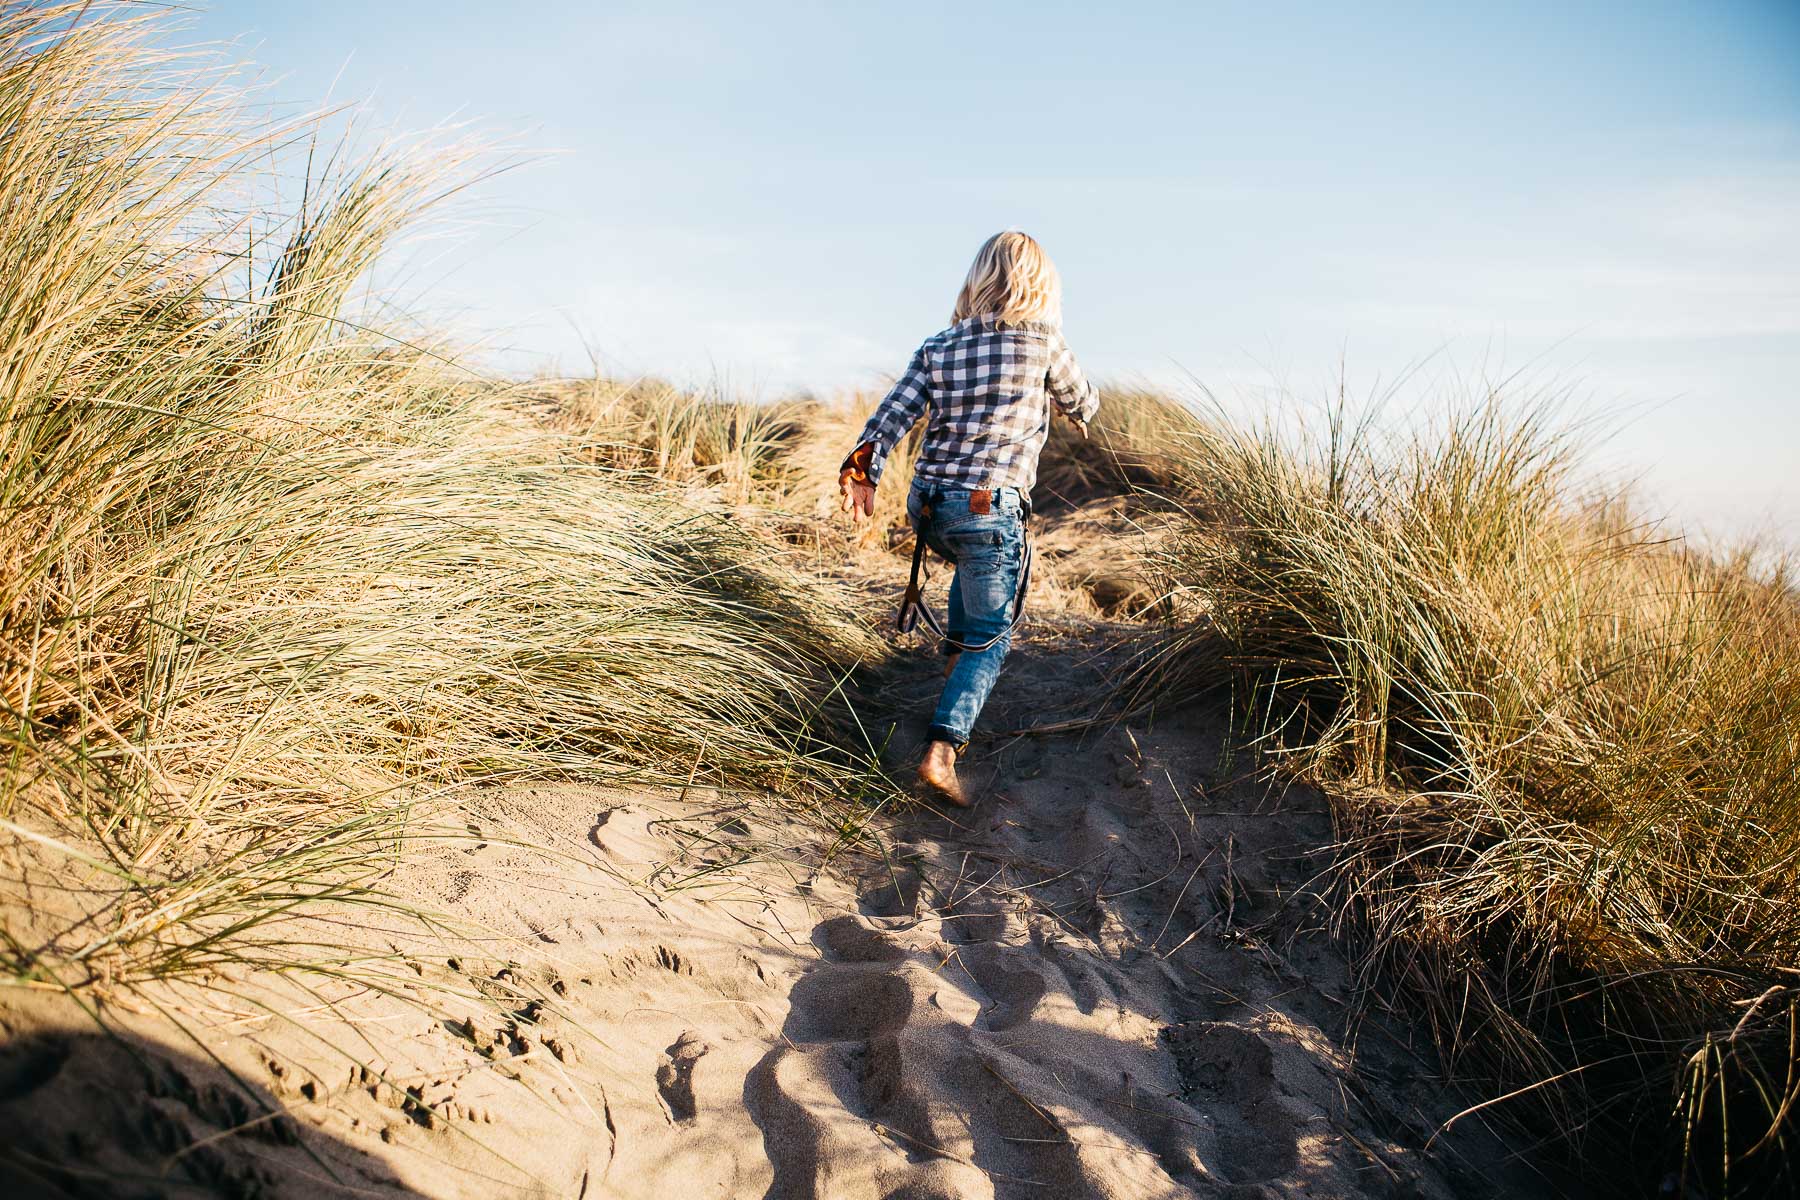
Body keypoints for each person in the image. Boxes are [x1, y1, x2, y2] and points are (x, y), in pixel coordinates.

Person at [838, 230, 1100, 806]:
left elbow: (891, 415)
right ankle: (942, 750)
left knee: (969, 569)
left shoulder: (939, 345)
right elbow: (1083, 400)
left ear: (979, 279)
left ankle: (953, 665)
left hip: (930, 508)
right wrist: (1077, 413)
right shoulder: (1044, 342)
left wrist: (862, 471)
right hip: (989, 508)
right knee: (991, 636)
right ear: (1041, 287)